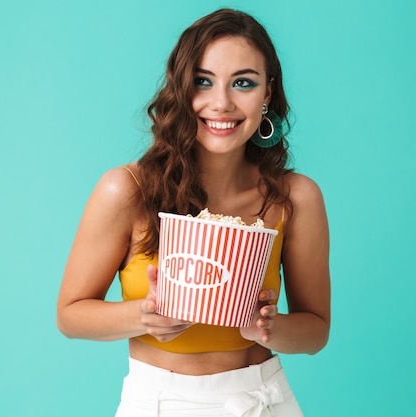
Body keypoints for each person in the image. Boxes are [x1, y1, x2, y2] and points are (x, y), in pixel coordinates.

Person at [57, 8, 330, 417]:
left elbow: (316, 331)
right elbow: (70, 315)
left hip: (265, 399)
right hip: (161, 403)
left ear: (267, 93)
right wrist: (145, 316)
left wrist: (269, 327)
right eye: (203, 81)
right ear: (180, 89)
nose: (221, 103)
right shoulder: (128, 190)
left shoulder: (296, 197)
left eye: (243, 83)